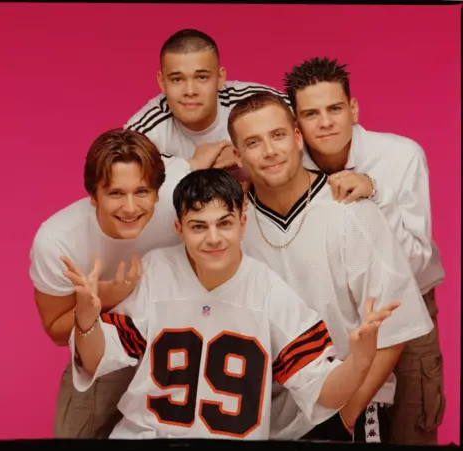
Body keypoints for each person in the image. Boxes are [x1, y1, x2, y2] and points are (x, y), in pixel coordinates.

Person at [65, 168, 398, 439]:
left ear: (242, 222)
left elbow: (322, 393)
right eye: (198, 226)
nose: (213, 238)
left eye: (224, 223)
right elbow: (98, 358)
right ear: (179, 229)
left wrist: (360, 361)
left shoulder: (269, 292)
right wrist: (86, 321)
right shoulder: (156, 270)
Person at [227, 92, 435, 443]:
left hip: (345, 408)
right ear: (238, 154)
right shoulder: (231, 224)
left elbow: (393, 331)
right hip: (260, 417)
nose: (269, 151)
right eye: (253, 142)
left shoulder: (350, 210)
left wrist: (344, 418)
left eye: (278, 136)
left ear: (296, 138)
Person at [283, 57, 446, 445]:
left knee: (412, 425)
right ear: (297, 124)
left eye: (335, 108)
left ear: (353, 109)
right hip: (332, 313)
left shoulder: (400, 157)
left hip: (405, 309)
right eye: (311, 113)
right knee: (328, 425)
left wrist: (373, 193)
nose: (325, 122)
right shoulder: (290, 169)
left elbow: (417, 260)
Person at [29, 129, 223, 438]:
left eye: (142, 192)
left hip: (176, 345)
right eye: (115, 193)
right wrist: (106, 297)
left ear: (158, 192)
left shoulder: (177, 191)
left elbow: (219, 159)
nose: (130, 208)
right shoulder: (58, 241)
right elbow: (55, 330)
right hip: (103, 345)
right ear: (93, 196)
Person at [125, 29, 289, 175]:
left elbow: (309, 128)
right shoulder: (145, 131)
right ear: (162, 82)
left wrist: (244, 153)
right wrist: (190, 166)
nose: (190, 91)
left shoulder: (256, 103)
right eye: (177, 79)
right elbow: (118, 183)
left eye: (202, 77)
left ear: (220, 78)